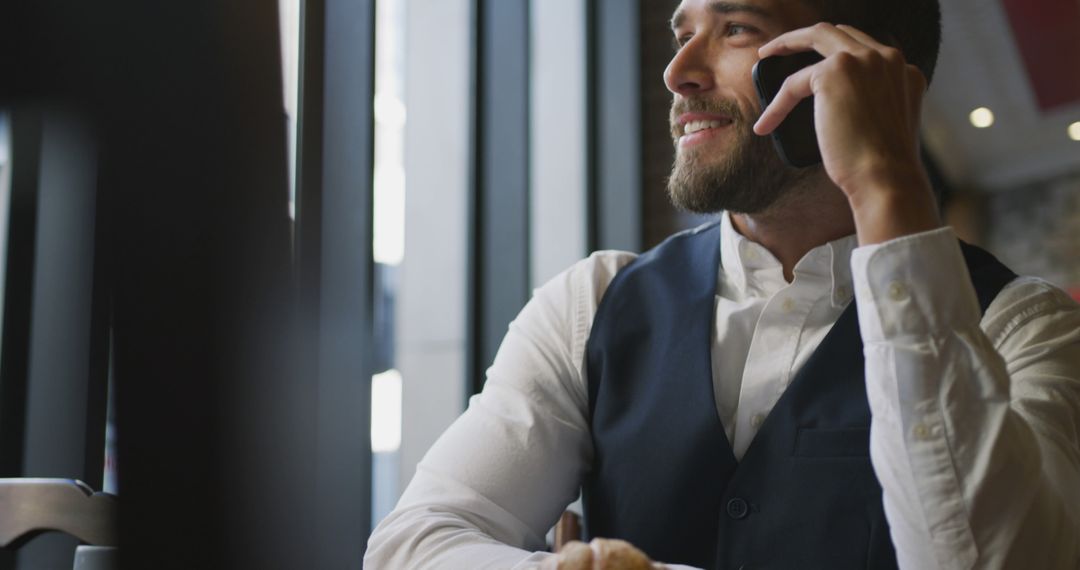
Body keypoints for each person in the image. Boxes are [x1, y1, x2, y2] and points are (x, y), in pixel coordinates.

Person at [364, 0, 1080, 567]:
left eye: (735, 27)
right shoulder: (590, 304)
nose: (678, 72)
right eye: (683, 31)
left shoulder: (1022, 325)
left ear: (857, 67)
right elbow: (414, 543)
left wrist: (889, 185)